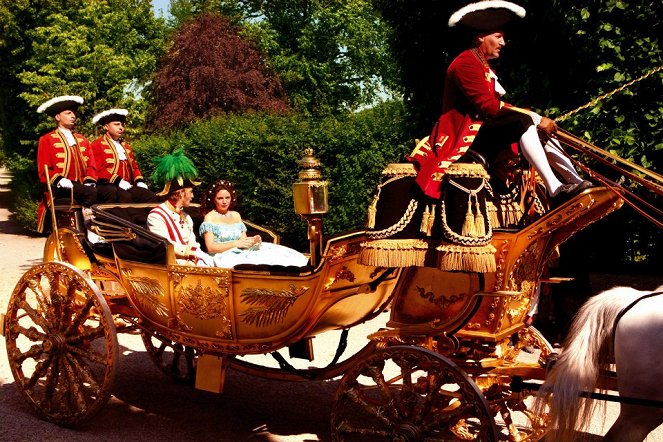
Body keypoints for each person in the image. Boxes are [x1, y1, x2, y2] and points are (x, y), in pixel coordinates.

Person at [409, 1, 592, 204]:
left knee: (540, 128)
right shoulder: (464, 64)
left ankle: (575, 182)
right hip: (463, 135)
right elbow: (488, 107)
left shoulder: (482, 65)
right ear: (480, 37)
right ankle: (555, 189)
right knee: (522, 123)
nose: (503, 43)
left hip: (482, 130)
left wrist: (538, 120)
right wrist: (535, 117)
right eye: (498, 37)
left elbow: (497, 107)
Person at [199, 180, 309, 268]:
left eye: (227, 198)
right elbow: (211, 248)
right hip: (223, 256)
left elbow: (244, 240)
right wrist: (235, 244)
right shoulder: (210, 217)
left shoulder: (235, 215)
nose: (224, 201)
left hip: (241, 251)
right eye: (220, 198)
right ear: (213, 200)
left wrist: (253, 241)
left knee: (276, 253)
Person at [36, 95, 98, 233]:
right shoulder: (46, 139)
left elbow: (92, 165)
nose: (73, 116)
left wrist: (90, 180)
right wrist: (60, 179)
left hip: (82, 185)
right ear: (58, 117)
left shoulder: (83, 140)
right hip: (59, 188)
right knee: (90, 192)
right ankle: (91, 228)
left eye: (74, 113)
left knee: (106, 192)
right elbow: (43, 170)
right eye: (68, 113)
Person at [146, 150, 213, 266]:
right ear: (180, 193)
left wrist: (200, 256)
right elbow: (165, 245)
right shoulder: (156, 216)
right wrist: (193, 254)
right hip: (171, 267)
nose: (192, 196)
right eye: (190, 192)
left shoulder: (187, 217)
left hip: (191, 264)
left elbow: (193, 243)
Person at [91, 108, 158, 203]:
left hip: (128, 185)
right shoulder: (97, 144)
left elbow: (134, 167)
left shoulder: (126, 146)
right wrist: (118, 181)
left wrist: (139, 181)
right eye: (117, 124)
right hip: (108, 185)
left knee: (150, 196)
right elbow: (98, 169)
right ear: (106, 126)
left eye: (122, 125)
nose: (121, 127)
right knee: (125, 197)